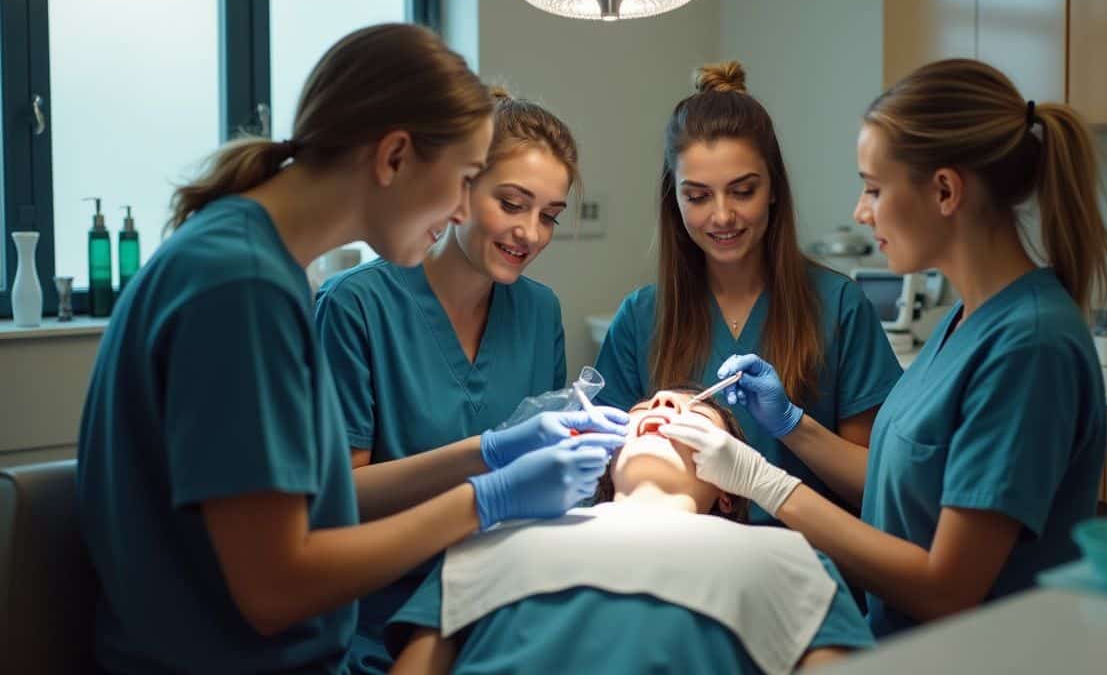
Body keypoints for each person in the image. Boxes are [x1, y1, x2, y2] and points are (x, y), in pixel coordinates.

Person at [75, 23, 623, 674]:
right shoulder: (243, 287)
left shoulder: (248, 259)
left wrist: (493, 452)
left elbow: (310, 510)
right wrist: (486, 498)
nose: (457, 210)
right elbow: (277, 590)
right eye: (468, 179)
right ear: (394, 157)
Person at [662, 58, 1107, 636]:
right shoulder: (964, 323)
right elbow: (899, 483)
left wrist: (762, 481)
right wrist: (792, 424)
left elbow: (946, 588)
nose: (861, 211)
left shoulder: (1028, 346)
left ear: (946, 190)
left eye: (874, 188)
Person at [313, 88, 593, 673]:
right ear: (460, 188)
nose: (532, 234)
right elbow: (340, 500)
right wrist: (481, 459)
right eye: (512, 204)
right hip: (378, 607)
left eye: (549, 216)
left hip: (502, 593)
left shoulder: (539, 313)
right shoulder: (357, 307)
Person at [595, 61, 902, 522]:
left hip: (806, 566)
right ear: (673, 199)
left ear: (774, 188)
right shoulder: (642, 318)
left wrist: (793, 426)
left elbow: (876, 488)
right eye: (697, 196)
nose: (722, 216)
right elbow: (606, 474)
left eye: (742, 191)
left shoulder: (838, 307)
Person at [384, 389, 875, 674]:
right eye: (644, 408)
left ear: (729, 488)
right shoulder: (500, 530)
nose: (660, 402)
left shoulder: (783, 555)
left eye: (696, 415)